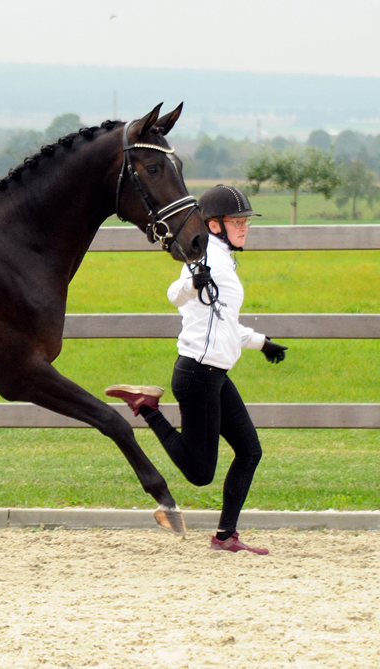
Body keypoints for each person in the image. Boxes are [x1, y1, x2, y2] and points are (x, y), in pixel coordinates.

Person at [105, 184, 287, 555]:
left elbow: (223, 323)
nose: (244, 228)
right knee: (200, 473)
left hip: (213, 374)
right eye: (237, 221)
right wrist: (192, 282)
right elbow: (176, 294)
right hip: (198, 375)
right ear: (215, 225)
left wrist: (261, 342)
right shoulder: (207, 257)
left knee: (250, 451)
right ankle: (148, 408)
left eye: (246, 221)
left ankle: (225, 537)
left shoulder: (223, 258)